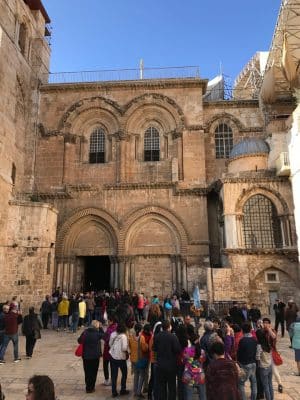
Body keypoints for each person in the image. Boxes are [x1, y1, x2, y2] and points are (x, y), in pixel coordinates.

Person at [153, 319, 181, 400]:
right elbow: (177, 350)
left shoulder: (157, 336)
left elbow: (154, 348)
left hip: (160, 365)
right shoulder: (173, 337)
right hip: (171, 366)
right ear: (169, 327)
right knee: (172, 386)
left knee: (162, 387)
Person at [77, 319, 104, 393]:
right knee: (94, 372)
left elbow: (79, 341)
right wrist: (101, 328)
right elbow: (105, 336)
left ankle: (88, 387)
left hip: (86, 356)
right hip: (95, 356)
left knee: (87, 372)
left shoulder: (85, 332)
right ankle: (92, 387)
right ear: (97, 326)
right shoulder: (98, 334)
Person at [237, 322, 257, 400]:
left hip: (245, 364)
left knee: (241, 383)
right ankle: (253, 398)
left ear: (242, 330)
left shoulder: (242, 340)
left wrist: (238, 362)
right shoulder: (254, 340)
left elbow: (240, 353)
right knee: (253, 382)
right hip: (253, 363)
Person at [256, 318, 275, 400]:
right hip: (270, 366)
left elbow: (257, 358)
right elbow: (273, 337)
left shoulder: (259, 347)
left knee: (266, 385)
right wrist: (268, 329)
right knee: (270, 384)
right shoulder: (269, 345)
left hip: (263, 367)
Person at [109, 322, 130, 397]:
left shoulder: (113, 334)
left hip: (113, 356)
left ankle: (114, 392)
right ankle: (122, 389)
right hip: (121, 358)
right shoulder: (124, 336)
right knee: (124, 373)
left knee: (114, 375)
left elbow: (110, 344)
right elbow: (124, 348)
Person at [129, 323, 149, 398]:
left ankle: (135, 390)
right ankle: (138, 392)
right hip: (139, 359)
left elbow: (130, 347)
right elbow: (144, 348)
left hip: (133, 359)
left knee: (136, 375)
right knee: (142, 375)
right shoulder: (142, 338)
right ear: (141, 330)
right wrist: (147, 346)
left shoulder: (131, 337)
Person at [102, 315, 117, 386]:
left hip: (108, 349)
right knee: (112, 365)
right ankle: (112, 379)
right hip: (113, 350)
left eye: (108, 321)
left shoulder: (110, 329)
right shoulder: (115, 327)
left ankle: (107, 379)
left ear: (112, 321)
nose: (107, 322)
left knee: (106, 364)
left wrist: (102, 333)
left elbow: (105, 338)